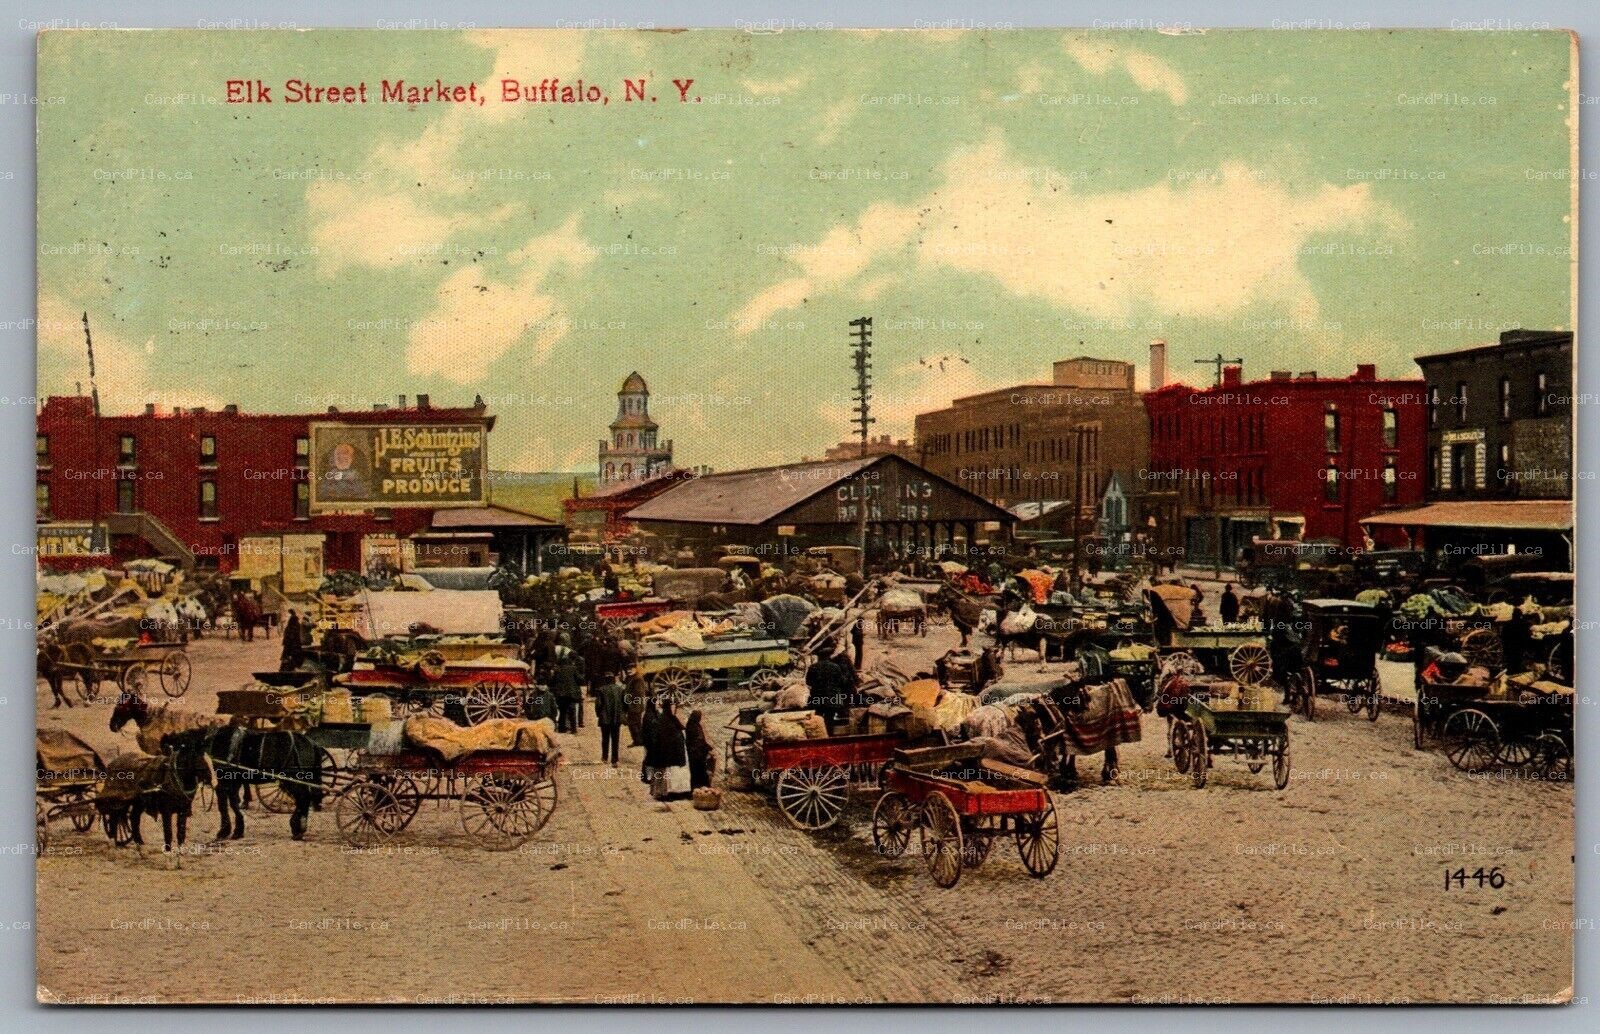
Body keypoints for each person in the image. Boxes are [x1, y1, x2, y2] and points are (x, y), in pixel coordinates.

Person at [648, 701, 690, 800]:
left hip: (662, 752)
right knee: (663, 774)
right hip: (664, 752)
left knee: (661, 773)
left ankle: (659, 792)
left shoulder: (663, 719)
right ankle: (661, 793)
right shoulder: (666, 720)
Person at [592, 676, 627, 767]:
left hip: (605, 718)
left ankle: (604, 757)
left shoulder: (601, 690)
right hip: (616, 718)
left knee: (605, 739)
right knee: (616, 739)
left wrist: (599, 714)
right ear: (614, 680)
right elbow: (625, 703)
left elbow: (598, 704)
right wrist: (623, 713)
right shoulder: (620, 690)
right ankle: (614, 760)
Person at [550, 651, 583, 734]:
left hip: (561, 694)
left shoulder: (558, 670)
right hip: (571, 693)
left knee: (562, 711)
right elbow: (579, 680)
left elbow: (553, 681)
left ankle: (561, 728)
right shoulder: (573, 668)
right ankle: (573, 729)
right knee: (572, 711)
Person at [685, 709, 716, 790]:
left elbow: (700, 740)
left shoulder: (691, 725)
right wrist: (707, 748)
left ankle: (697, 787)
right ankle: (700, 787)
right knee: (700, 770)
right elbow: (699, 741)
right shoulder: (694, 726)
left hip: (695, 752)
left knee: (696, 771)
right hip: (696, 753)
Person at [638, 696, 660, 784]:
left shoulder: (654, 713)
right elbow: (647, 730)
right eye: (657, 704)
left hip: (653, 741)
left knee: (650, 758)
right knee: (649, 759)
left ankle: (648, 776)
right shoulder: (648, 716)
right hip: (650, 741)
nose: (658, 705)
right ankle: (647, 777)